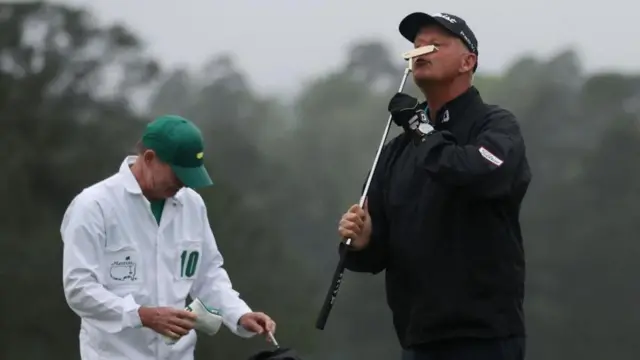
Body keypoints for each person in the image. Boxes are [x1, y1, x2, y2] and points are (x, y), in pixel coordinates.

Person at [337, 12, 531, 360]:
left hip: (484, 337)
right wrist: (362, 242)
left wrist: (420, 130)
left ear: (467, 61)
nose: (419, 51)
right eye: (415, 46)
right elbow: (375, 253)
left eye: (434, 45)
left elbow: (480, 173)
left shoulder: (496, 125)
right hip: (417, 340)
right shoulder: (396, 150)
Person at [61, 115, 276, 360]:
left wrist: (239, 314)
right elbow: (79, 289)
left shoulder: (192, 205)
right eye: (178, 174)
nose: (184, 184)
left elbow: (207, 275)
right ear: (149, 158)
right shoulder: (93, 206)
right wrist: (142, 315)